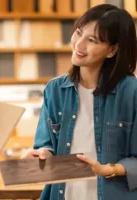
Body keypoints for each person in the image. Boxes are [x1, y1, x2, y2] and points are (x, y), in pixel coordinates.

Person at [23, 4, 137, 200]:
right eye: (78, 33)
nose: (79, 44)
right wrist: (42, 154)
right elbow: (46, 144)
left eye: (91, 40)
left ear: (111, 50)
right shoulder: (55, 89)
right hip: (63, 194)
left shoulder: (131, 92)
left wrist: (106, 169)